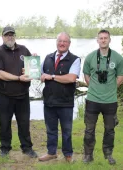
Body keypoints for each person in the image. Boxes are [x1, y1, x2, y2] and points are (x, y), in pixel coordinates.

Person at [0, 26, 37, 158]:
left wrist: (33, 62)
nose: (9, 37)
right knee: (4, 123)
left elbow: (32, 70)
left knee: (24, 123)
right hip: (4, 96)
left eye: (12, 34)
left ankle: (27, 148)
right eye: (7, 35)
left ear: (15, 36)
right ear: (2, 37)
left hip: (22, 95)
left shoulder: (23, 50)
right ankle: (5, 148)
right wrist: (18, 78)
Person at [38, 32, 81, 162]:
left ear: (69, 43)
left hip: (65, 102)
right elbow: (38, 74)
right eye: (60, 41)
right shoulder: (48, 57)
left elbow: (71, 78)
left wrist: (51, 76)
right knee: (51, 129)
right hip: (49, 101)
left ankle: (68, 155)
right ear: (56, 42)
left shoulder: (75, 59)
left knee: (66, 131)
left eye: (65, 41)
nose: (62, 43)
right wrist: (32, 62)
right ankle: (51, 152)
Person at [83, 29, 123, 165]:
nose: (103, 40)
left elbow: (120, 77)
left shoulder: (118, 58)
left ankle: (108, 154)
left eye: (106, 38)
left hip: (110, 101)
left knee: (110, 130)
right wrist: (94, 88)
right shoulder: (90, 57)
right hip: (92, 99)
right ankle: (88, 155)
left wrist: (110, 89)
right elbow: (87, 76)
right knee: (89, 130)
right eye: (101, 38)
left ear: (110, 40)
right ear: (97, 40)